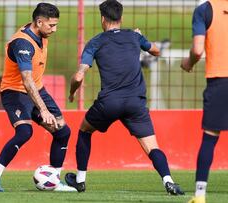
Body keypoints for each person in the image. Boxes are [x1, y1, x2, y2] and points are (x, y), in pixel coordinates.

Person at [64, 0, 185, 195]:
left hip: (109, 103)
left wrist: (71, 92)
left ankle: (80, 180)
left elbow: (79, 76)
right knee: (152, 146)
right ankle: (168, 181)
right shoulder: (134, 37)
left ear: (103, 19)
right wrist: (139, 36)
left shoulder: (95, 42)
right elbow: (156, 50)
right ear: (121, 18)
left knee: (85, 130)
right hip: (135, 103)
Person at [0, 3, 76, 192]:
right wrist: (43, 109)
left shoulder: (40, 32)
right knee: (25, 132)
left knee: (63, 132)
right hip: (15, 91)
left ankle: (54, 181)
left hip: (37, 89)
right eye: (51, 25)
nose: (54, 29)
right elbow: (26, 79)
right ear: (39, 22)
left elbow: (33, 82)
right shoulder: (22, 43)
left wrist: (43, 105)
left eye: (56, 25)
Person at [181, 1, 228, 203]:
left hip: (220, 80)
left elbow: (198, 50)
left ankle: (200, 195)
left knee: (210, 138)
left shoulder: (204, 10)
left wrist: (188, 63)